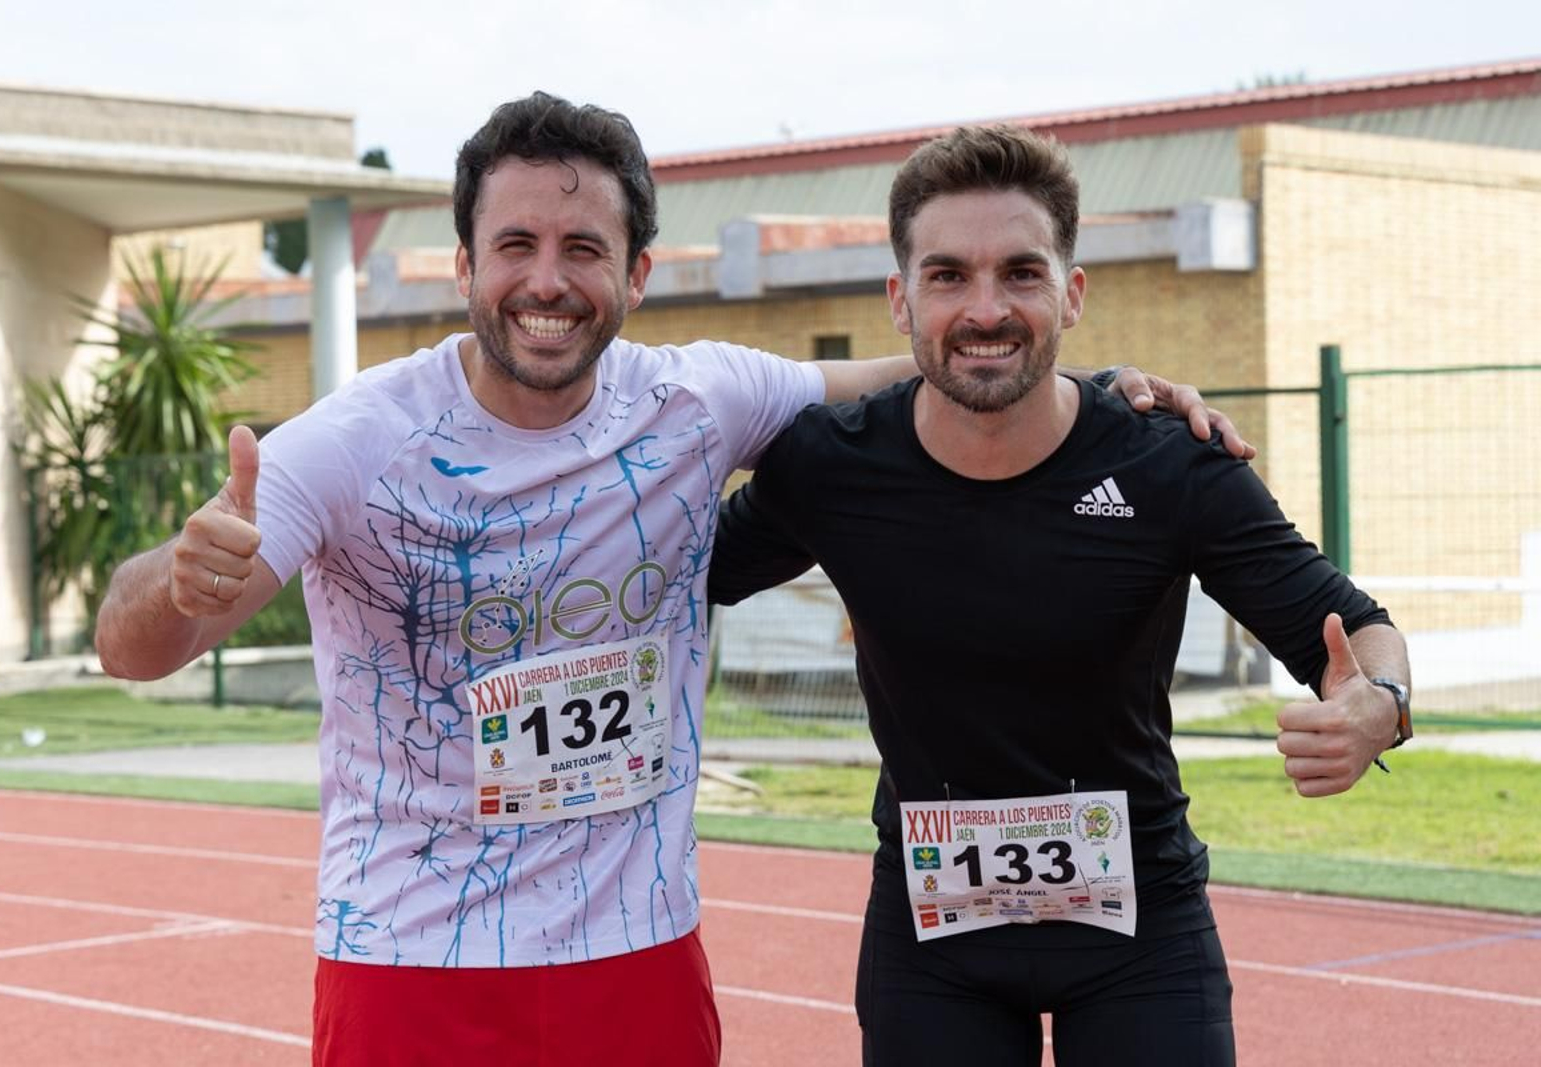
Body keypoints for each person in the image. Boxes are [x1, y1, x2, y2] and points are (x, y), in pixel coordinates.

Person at [94, 94, 1250, 1066]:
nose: (547, 281)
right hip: (410, 950)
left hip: (636, 947)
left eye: (583, 249)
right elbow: (132, 648)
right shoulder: (351, 442)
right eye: (516, 246)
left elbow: (935, 371)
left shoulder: (700, 401)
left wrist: (1097, 387)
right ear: (463, 265)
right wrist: (179, 583)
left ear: (637, 272)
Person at [709, 123, 1412, 1067]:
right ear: (899, 297)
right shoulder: (832, 464)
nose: (986, 307)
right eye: (949, 275)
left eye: (1022, 274)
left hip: (1141, 930)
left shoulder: (1169, 462)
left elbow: (1355, 625)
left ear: (1072, 293)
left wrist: (1380, 705)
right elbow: (669, 573)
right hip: (933, 937)